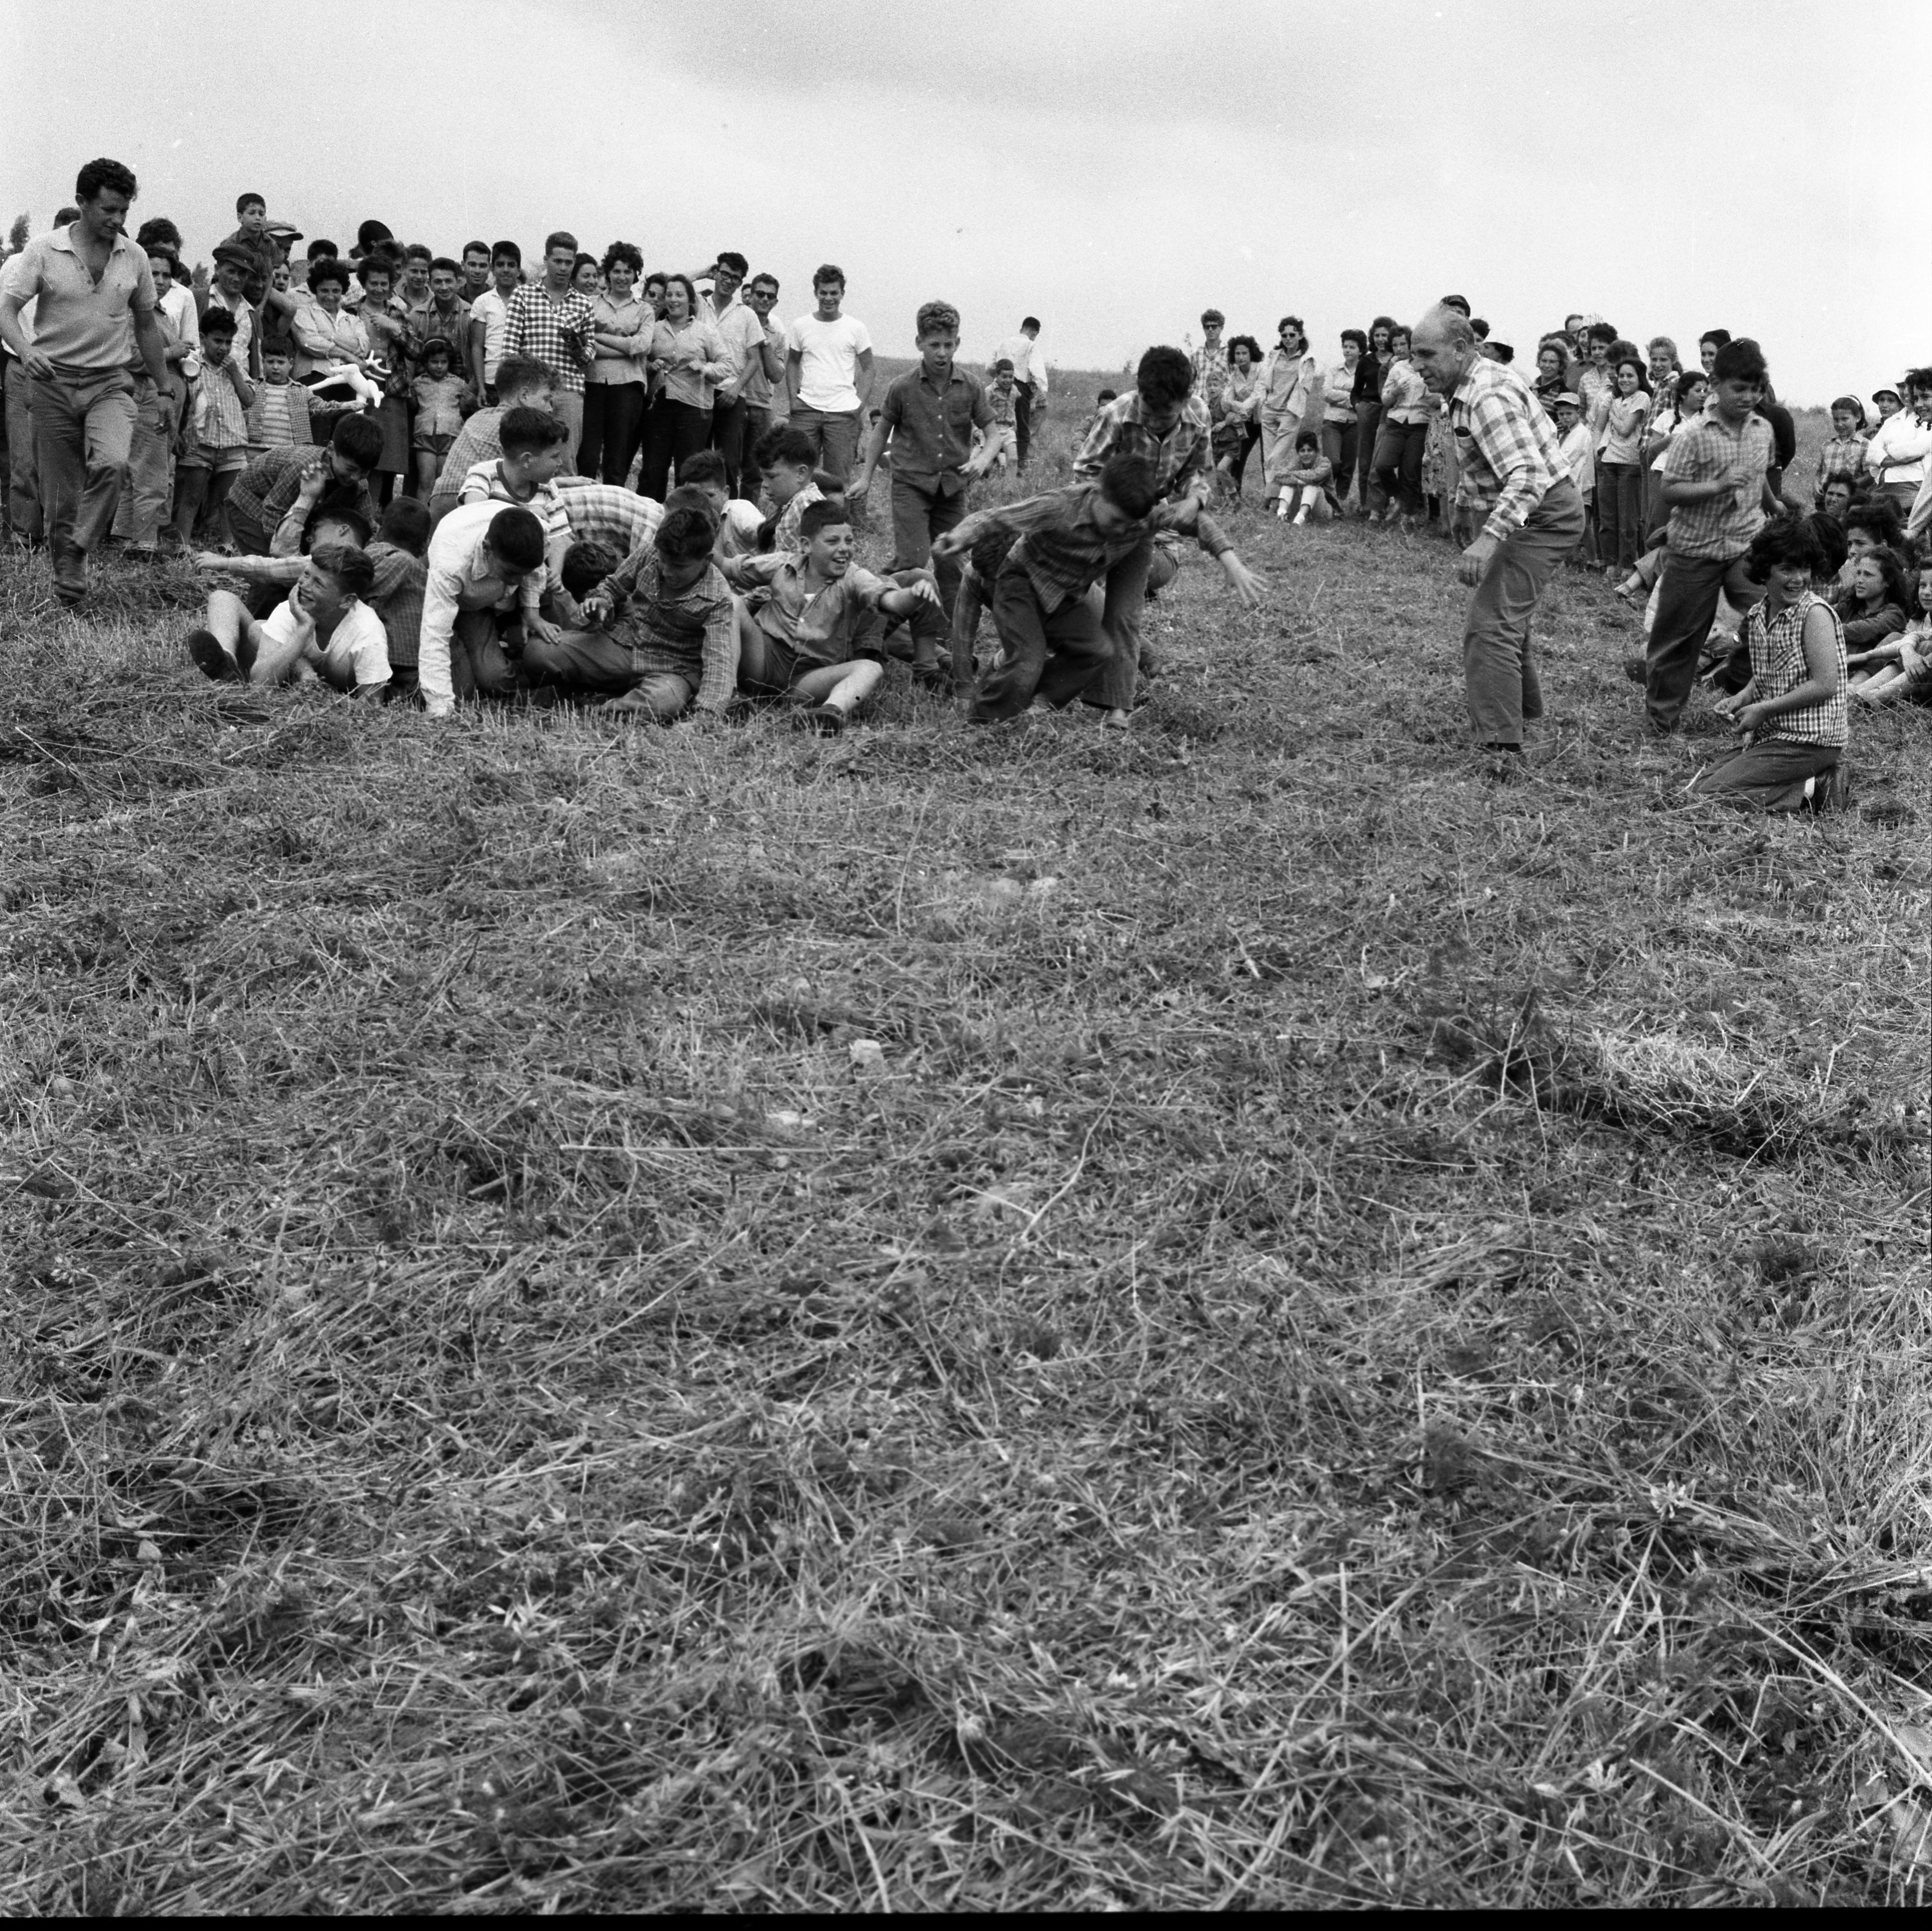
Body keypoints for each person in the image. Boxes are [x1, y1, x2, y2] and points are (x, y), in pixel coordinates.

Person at [934, 453, 1255, 725]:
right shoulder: (1062, 505)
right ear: (1099, 493)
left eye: (1128, 525)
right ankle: (981, 723)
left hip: (1066, 598)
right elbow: (994, 519)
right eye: (1115, 521)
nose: (1120, 531)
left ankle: (1039, 706)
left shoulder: (1135, 519)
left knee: (1099, 650)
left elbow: (1196, 521)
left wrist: (1231, 562)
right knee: (1027, 661)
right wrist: (958, 538)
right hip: (1021, 584)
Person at [1407, 304, 1586, 754]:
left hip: (1544, 513)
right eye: (1414, 355)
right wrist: (1467, 515)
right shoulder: (1470, 385)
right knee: (1506, 619)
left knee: (1489, 627)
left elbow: (1526, 475)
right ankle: (1525, 720)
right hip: (1534, 509)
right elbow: (1489, 467)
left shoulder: (1485, 395)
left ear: (1460, 349)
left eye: (1426, 355)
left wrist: (1488, 540)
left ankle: (1500, 749)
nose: (1417, 366)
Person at [0, 157, 173, 604]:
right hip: (52, 384)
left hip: (110, 383)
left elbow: (147, 326)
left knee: (113, 462)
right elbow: (6, 310)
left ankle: (80, 543)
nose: (117, 221)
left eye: (124, 212)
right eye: (108, 210)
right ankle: (69, 580)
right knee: (60, 499)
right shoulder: (42, 250)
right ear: (81, 203)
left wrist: (165, 388)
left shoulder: (133, 256)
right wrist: (27, 349)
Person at [1070, 346, 1229, 727]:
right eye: (1149, 411)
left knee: (1125, 612)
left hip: (1145, 527)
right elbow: (1084, 473)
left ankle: (1117, 706)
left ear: (1186, 400)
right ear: (1139, 390)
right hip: (1099, 521)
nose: (1156, 422)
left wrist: (1194, 498)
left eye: (1165, 416)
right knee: (1063, 595)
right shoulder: (1116, 415)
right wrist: (1110, 508)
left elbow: (1199, 470)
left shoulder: (1200, 415)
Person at [1638, 337, 1778, 736]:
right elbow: (1672, 490)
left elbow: (1761, 476)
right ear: (1716, 385)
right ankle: (1660, 722)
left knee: (1771, 615)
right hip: (1695, 550)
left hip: (1744, 544)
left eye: (1756, 389)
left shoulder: (1763, 430)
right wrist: (1717, 486)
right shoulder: (1693, 435)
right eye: (1740, 388)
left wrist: (1775, 506)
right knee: (1678, 637)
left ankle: (1741, 681)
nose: (1749, 397)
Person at [846, 300, 1006, 618]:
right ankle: (877, 614)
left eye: (949, 345)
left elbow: (994, 434)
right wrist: (865, 477)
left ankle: (947, 632)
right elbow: (880, 433)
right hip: (911, 486)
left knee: (951, 561)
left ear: (958, 343)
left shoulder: (972, 386)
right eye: (934, 345)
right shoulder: (902, 387)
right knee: (914, 562)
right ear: (919, 343)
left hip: (952, 489)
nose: (942, 353)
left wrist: (983, 460)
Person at [732, 497, 950, 728]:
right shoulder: (784, 565)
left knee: (871, 669)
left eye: (849, 541)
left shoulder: (854, 577)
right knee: (733, 604)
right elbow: (730, 568)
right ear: (806, 545)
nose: (844, 549)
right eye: (833, 541)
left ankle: (830, 712)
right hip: (763, 660)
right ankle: (729, 695)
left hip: (806, 680)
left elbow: (891, 601)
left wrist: (913, 596)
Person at [1696, 518, 1848, 811]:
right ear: (1765, 572)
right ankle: (1806, 783)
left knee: (1710, 795)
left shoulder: (1814, 615)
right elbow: (1770, 672)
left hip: (1810, 740)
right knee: (1703, 782)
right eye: (1787, 569)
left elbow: (1826, 684)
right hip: (1776, 735)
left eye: (1804, 569)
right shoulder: (1758, 614)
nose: (1798, 579)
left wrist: (1765, 709)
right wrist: (1743, 697)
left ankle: (1815, 790)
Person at [533, 504, 737, 718]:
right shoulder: (650, 553)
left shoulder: (718, 597)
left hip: (672, 670)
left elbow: (719, 661)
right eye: (663, 562)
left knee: (663, 702)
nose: (667, 571)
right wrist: (601, 602)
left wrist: (707, 713)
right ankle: (618, 696)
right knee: (538, 652)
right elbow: (613, 586)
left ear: (706, 560)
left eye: (678, 566)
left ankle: (599, 710)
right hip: (627, 645)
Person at [185, 539, 390, 696]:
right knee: (226, 601)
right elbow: (259, 686)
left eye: (318, 583)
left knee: (259, 628)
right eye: (306, 575)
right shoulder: (293, 608)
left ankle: (231, 678)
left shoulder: (368, 634)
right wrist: (303, 630)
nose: (304, 586)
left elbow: (371, 711)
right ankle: (226, 667)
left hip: (330, 706)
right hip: (285, 685)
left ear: (347, 601)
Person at [415, 502, 549, 714]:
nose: (519, 580)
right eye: (512, 573)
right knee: (477, 685)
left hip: (504, 600)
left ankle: (553, 674)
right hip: (467, 604)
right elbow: (435, 636)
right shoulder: (450, 565)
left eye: (524, 573)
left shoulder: (538, 532)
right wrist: (440, 706)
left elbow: (535, 572)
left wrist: (531, 611)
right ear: (487, 549)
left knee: (501, 677)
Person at [227, 412, 383, 560]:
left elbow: (366, 530)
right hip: (251, 504)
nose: (355, 477)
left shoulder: (360, 487)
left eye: (364, 472)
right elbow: (274, 512)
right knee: (271, 578)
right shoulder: (304, 468)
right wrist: (289, 561)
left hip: (294, 513)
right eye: (351, 469)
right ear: (331, 450)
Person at [503, 232, 596, 468]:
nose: (563, 268)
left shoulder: (584, 304)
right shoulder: (523, 295)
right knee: (526, 458)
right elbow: (511, 350)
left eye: (569, 262)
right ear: (546, 260)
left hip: (569, 390)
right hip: (532, 391)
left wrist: (579, 349)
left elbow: (589, 355)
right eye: (558, 261)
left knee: (564, 462)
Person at [426, 356, 554, 520]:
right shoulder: (520, 427)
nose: (550, 409)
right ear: (525, 396)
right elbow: (535, 477)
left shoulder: (480, 416)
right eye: (546, 399)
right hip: (473, 502)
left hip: (439, 502)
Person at [639, 273, 731, 501]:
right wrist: (652, 365)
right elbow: (640, 361)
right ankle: (651, 519)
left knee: (688, 474)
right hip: (659, 407)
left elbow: (727, 365)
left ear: (690, 300)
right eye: (669, 295)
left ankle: (686, 522)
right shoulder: (655, 329)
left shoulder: (705, 332)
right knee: (653, 471)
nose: (673, 300)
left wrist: (705, 368)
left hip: (694, 410)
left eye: (679, 295)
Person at [173, 306, 256, 546]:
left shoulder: (235, 366)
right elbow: (183, 401)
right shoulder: (192, 366)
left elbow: (249, 400)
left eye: (229, 342)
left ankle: (228, 544)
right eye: (218, 341)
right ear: (203, 338)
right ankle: (182, 544)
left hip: (232, 442)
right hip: (200, 443)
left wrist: (235, 373)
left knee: (228, 500)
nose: (224, 347)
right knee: (192, 497)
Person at [784, 266, 873, 482]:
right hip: (807, 410)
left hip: (842, 414)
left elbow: (869, 368)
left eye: (834, 293)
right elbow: (793, 363)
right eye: (823, 292)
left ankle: (838, 517)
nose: (828, 298)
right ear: (816, 293)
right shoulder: (801, 325)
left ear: (842, 294)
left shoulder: (856, 328)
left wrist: (858, 406)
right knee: (799, 475)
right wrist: (794, 401)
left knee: (837, 480)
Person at [580, 241, 650, 487]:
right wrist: (624, 344)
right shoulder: (589, 303)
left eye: (628, 272)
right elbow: (584, 343)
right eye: (617, 271)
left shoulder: (645, 310)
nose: (622, 277)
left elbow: (641, 347)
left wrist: (599, 336)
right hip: (592, 383)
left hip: (627, 387)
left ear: (635, 275)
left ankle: (613, 515)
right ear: (608, 272)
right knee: (587, 456)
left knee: (617, 459)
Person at [722, 271, 784, 498]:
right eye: (760, 294)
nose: (765, 300)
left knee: (754, 471)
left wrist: (764, 342)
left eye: (770, 296)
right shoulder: (735, 322)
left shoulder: (776, 334)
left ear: (775, 301)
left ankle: (746, 522)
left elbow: (777, 375)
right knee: (727, 466)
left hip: (761, 405)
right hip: (734, 399)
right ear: (749, 295)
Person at [1258, 317, 1323, 517]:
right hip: (1270, 410)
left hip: (1290, 413)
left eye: (1292, 335)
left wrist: (1293, 408)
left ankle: (1270, 502)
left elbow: (1306, 387)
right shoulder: (1274, 355)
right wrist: (1263, 402)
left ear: (1301, 335)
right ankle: (1277, 499)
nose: (1288, 339)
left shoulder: (1306, 359)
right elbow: (1263, 381)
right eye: (1284, 335)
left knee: (1274, 458)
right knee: (1269, 460)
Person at [1850, 559, 1932, 706]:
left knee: (1927, 647)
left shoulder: (1894, 613)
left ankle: (1872, 699)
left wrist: (1908, 652)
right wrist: (1908, 653)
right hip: (1918, 683)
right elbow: (1913, 637)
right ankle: (1855, 689)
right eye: (1923, 586)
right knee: (1898, 638)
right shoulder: (1922, 619)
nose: (1927, 592)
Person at [1596, 355, 1651, 573]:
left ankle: (1627, 564)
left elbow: (1626, 429)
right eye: (1621, 376)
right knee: (1608, 517)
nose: (1625, 380)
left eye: (1630, 376)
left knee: (1628, 520)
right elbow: (1599, 426)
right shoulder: (1614, 399)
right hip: (1609, 461)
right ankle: (1610, 563)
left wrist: (1611, 415)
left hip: (1630, 463)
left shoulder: (1642, 398)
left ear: (1640, 379)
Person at [1370, 326, 1428, 527]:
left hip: (1420, 423)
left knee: (1410, 471)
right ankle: (1397, 497)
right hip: (1396, 422)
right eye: (1396, 345)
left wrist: (1429, 397)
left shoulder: (1428, 367)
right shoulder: (1397, 368)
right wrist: (1395, 391)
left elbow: (1438, 395)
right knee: (1382, 465)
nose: (1400, 348)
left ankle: (1408, 516)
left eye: (1404, 344)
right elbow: (1386, 400)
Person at [1863, 369, 1932, 516]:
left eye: (1907, 387)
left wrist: (1889, 450)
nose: (1905, 392)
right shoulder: (1893, 420)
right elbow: (1871, 454)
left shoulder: (1925, 419)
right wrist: (1895, 460)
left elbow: (1915, 450)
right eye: (1901, 387)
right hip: (1885, 487)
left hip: (1914, 488)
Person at [751, 423, 826, 553]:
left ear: (801, 474)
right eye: (763, 477)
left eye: (771, 477)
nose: (764, 484)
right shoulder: (791, 503)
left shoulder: (805, 504)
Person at [411, 338, 470, 499]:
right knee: (426, 482)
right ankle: (423, 521)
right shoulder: (418, 383)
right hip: (425, 437)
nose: (439, 366)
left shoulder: (459, 384)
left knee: (443, 483)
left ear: (449, 363)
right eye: (434, 362)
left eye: (443, 362)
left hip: (450, 437)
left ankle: (440, 520)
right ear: (426, 362)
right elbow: (412, 405)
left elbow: (466, 406)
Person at [1837, 544, 1912, 671]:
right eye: (1858, 573)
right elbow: (1826, 614)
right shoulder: (1850, 606)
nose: (1859, 580)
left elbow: (1863, 630)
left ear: (1887, 581)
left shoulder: (1894, 614)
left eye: (1868, 575)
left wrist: (1828, 631)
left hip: (1863, 680)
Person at [468, 241, 522, 403]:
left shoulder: (528, 299)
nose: (506, 270)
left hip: (521, 381)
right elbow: (477, 347)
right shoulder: (483, 302)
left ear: (519, 270)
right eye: (501, 265)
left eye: (511, 265)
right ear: (493, 269)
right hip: (491, 381)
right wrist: (481, 387)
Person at [991, 317, 1047, 469]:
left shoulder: (1004, 343)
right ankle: (1020, 465)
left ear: (1022, 328)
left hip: (999, 387)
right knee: (1023, 428)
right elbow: (1037, 372)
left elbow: (990, 366)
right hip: (1020, 388)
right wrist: (1041, 392)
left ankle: (997, 461)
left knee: (1000, 424)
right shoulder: (1031, 345)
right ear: (1035, 332)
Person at [1352, 318, 1396, 509]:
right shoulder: (1366, 361)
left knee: (1383, 461)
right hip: (1368, 411)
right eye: (1377, 335)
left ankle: (1384, 503)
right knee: (1365, 459)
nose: (1380, 339)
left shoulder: (1399, 361)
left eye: (1384, 335)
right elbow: (1356, 391)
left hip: (1389, 411)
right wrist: (1358, 407)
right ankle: (1366, 505)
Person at [1212, 336, 1265, 498]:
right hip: (1246, 422)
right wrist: (1237, 407)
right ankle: (1236, 496)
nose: (1241, 357)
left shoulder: (1261, 370)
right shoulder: (1234, 375)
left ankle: (1271, 499)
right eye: (1237, 354)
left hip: (1265, 419)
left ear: (1251, 354)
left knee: (1267, 459)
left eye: (1244, 353)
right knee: (1238, 457)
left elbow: (1258, 395)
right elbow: (1227, 399)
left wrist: (1240, 406)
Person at [246, 338, 311, 455]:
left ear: (291, 364)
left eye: (281, 362)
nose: (275, 367)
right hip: (256, 450)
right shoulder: (254, 387)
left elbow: (321, 407)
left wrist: (345, 405)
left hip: (288, 451)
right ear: (263, 362)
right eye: (271, 362)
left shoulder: (301, 390)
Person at [1322, 331, 1364, 513]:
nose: (1347, 350)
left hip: (1354, 423)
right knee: (1333, 462)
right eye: (1345, 346)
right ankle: (1326, 498)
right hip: (1332, 421)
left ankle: (1340, 503)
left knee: (1347, 466)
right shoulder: (1334, 370)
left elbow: (1363, 399)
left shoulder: (1364, 371)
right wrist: (1351, 397)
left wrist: (1341, 397)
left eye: (1352, 347)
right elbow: (1326, 394)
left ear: (1361, 350)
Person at [1816, 397, 1870, 497]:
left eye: (1845, 419)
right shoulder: (1827, 445)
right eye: (1836, 420)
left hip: (1851, 500)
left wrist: (1847, 489)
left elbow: (1869, 476)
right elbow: (1820, 471)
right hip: (1825, 499)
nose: (1840, 424)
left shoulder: (1865, 445)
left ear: (1858, 418)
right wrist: (1816, 485)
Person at [1276, 433, 1334, 523]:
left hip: (1322, 511)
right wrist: (1298, 482)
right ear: (1298, 453)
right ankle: (1281, 514)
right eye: (1303, 451)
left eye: (1310, 450)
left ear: (1317, 452)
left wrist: (1293, 474)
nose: (1306, 454)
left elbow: (1315, 477)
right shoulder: (1297, 462)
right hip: (1299, 507)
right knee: (1288, 485)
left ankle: (1300, 520)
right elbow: (1279, 475)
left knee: (1312, 486)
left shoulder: (1325, 463)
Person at [1191, 310, 1229, 416]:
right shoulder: (1196, 354)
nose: (1210, 330)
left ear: (1221, 328)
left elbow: (1233, 381)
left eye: (1214, 327)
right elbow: (1191, 381)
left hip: (1220, 407)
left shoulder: (1229, 353)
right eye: (1207, 327)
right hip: (1199, 406)